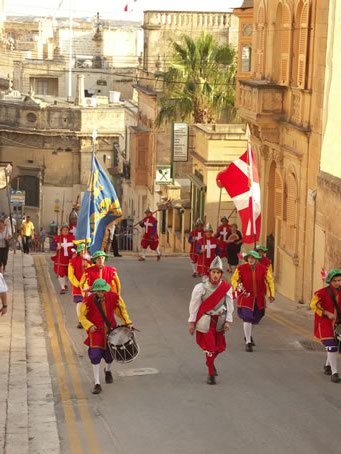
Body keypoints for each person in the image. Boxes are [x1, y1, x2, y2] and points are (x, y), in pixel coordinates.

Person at [78, 278, 133, 394]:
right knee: (95, 355)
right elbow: (81, 316)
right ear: (95, 291)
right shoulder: (87, 301)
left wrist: (128, 322)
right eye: (99, 291)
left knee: (110, 356)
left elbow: (121, 310)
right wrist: (89, 325)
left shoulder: (114, 297)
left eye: (103, 290)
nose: (101, 293)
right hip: (96, 332)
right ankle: (97, 383)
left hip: (111, 331)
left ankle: (107, 370)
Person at [188, 256, 234, 385]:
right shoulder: (200, 287)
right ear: (209, 273)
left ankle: (210, 361)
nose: (215, 275)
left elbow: (229, 305)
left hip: (220, 320)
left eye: (218, 272)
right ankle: (210, 374)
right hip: (205, 320)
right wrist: (191, 322)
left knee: (219, 347)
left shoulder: (226, 288)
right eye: (213, 272)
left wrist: (228, 321)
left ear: (221, 274)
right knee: (210, 347)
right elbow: (194, 305)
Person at [231, 250, 275, 352]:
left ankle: (248, 335)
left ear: (256, 259)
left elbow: (269, 281)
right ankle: (248, 342)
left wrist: (271, 294)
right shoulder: (240, 268)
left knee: (255, 318)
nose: (251, 259)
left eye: (253, 258)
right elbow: (234, 280)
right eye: (249, 258)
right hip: (246, 297)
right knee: (247, 318)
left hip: (259, 298)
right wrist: (238, 288)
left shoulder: (264, 269)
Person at [310, 269, 341, 383]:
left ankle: (327, 365)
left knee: (334, 347)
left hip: (338, 325)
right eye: (335, 281)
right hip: (324, 324)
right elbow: (313, 306)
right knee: (332, 347)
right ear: (330, 281)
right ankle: (335, 373)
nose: (338, 283)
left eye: (339, 280)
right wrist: (327, 313)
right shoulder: (320, 293)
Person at [68, 243, 91, 328]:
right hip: (78, 286)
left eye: (85, 251)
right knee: (80, 303)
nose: (83, 252)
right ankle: (80, 320)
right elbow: (71, 275)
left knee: (89, 303)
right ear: (78, 252)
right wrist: (78, 284)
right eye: (82, 251)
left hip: (88, 285)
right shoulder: (72, 262)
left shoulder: (90, 261)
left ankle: (88, 319)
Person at [51, 224, 75, 294]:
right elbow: (52, 246)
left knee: (69, 273)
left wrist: (74, 253)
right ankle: (62, 287)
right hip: (60, 258)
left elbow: (76, 247)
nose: (65, 231)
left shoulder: (73, 238)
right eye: (63, 230)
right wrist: (56, 248)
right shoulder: (57, 238)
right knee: (61, 273)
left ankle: (65, 284)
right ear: (61, 231)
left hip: (70, 258)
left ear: (68, 231)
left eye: (66, 230)